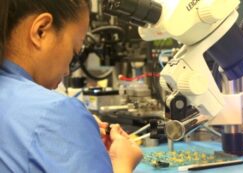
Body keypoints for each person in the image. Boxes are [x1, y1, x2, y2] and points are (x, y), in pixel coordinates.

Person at [0, 0, 143, 173]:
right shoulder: (56, 112)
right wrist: (123, 163)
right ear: (41, 31)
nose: (68, 71)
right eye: (74, 51)